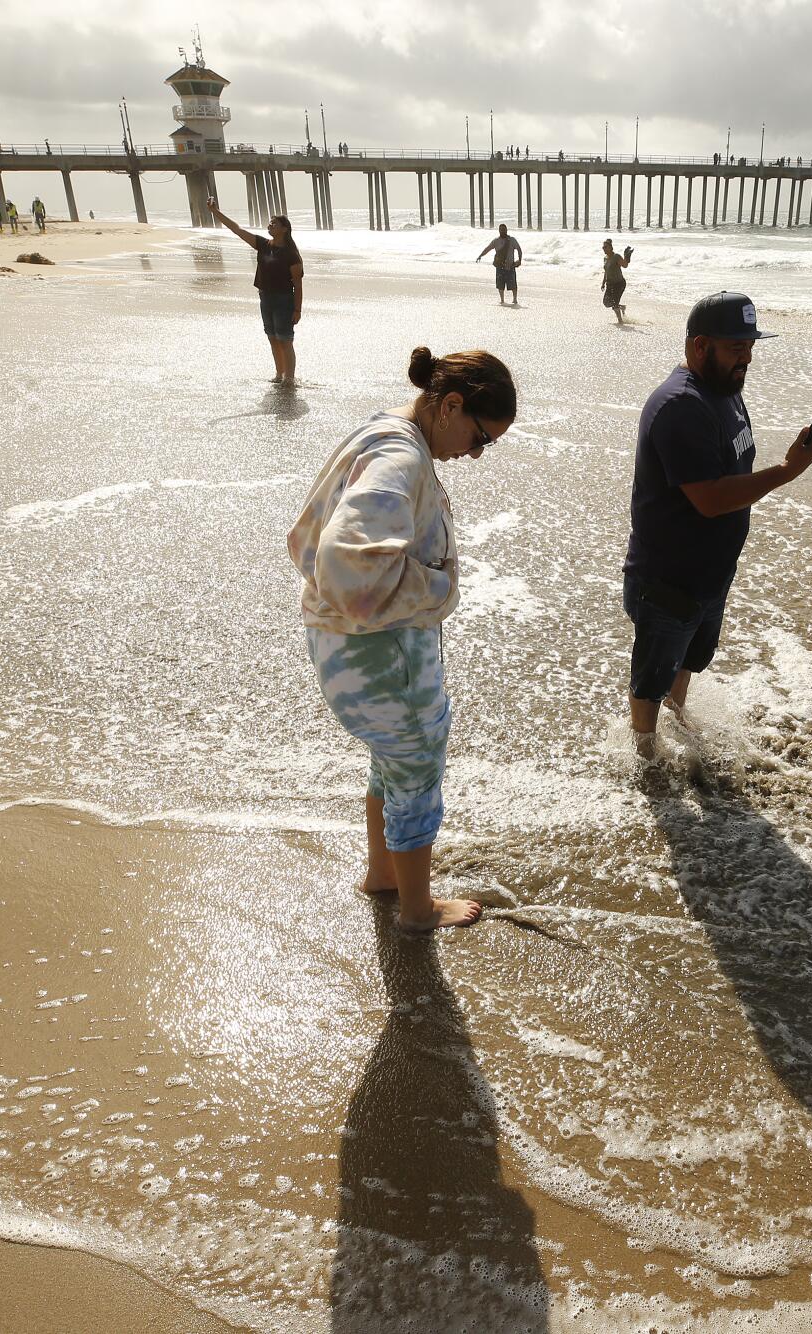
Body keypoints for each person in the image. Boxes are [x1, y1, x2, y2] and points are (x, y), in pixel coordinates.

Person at [287, 346, 516, 932]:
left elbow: (318, 550)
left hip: (342, 644)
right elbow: (348, 564)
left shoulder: (384, 431)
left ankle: (384, 875)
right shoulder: (400, 456)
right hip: (380, 654)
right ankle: (418, 909)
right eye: (481, 438)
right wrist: (438, 590)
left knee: (390, 760)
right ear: (452, 406)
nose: (475, 453)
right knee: (416, 766)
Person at [623, 293, 812, 754]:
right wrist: (787, 472)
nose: (747, 357)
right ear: (700, 346)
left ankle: (674, 724)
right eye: (736, 348)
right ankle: (645, 755)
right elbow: (711, 499)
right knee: (650, 677)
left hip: (710, 573)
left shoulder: (726, 393)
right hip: (669, 576)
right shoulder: (681, 406)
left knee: (688, 660)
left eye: (750, 346)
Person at [208, 196, 304, 383]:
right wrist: (215, 212)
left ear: (284, 229)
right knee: (272, 337)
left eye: (274, 224)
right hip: (265, 298)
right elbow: (237, 230)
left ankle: (290, 378)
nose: (270, 225)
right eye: (270, 223)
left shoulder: (291, 254)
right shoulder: (263, 245)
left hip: (284, 300)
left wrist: (297, 309)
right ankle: (279, 374)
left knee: (285, 340)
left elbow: (298, 285)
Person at [474, 223, 522, 305]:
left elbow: (519, 250)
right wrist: (480, 256)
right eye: (501, 229)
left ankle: (514, 299)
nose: (503, 231)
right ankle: (502, 300)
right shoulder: (496, 241)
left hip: (510, 265)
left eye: (504, 229)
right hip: (500, 265)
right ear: (499, 231)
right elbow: (487, 249)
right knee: (500, 284)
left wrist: (519, 260)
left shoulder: (512, 240)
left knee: (513, 283)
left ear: (507, 230)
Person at [601, 238, 633, 323]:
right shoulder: (605, 258)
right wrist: (603, 283)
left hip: (619, 283)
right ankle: (621, 307)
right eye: (603, 247)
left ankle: (620, 321)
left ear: (611, 248)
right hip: (609, 284)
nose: (603, 248)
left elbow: (625, 265)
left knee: (615, 303)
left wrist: (627, 257)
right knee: (606, 303)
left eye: (605, 247)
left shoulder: (616, 257)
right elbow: (606, 271)